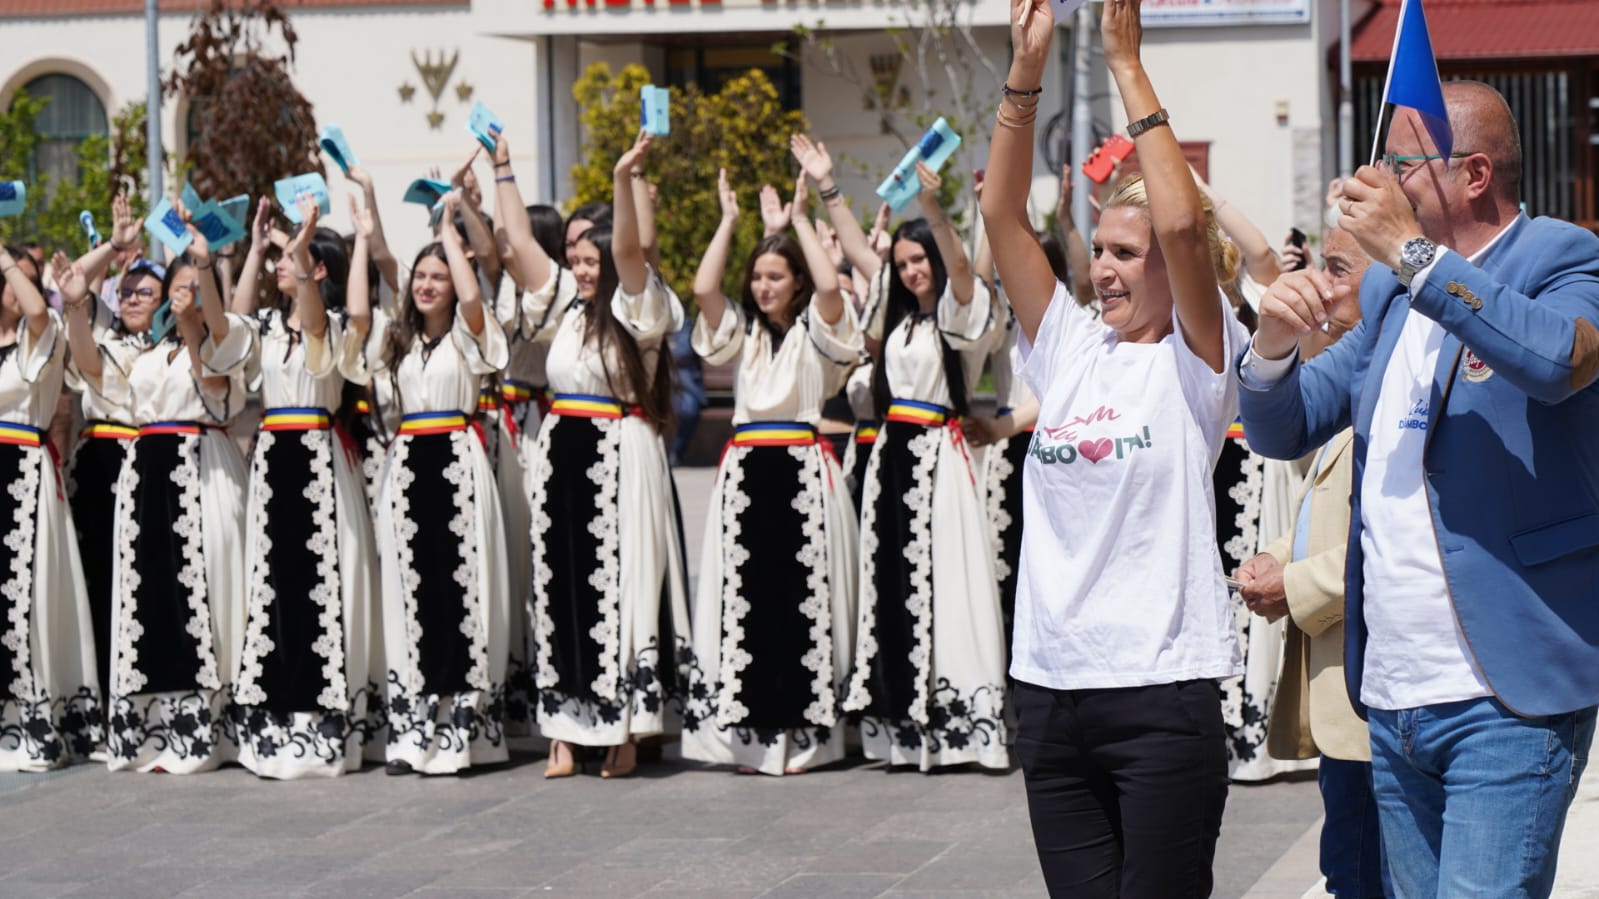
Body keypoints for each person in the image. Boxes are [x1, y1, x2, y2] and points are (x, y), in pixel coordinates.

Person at [1237, 81, 1599, 897]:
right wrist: (1271, 343)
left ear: (1472, 175)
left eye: (1400, 163)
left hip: (1504, 697)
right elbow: (1285, 426)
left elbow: (1556, 360)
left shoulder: (1560, 255)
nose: (1377, 179)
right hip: (1393, 693)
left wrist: (1414, 256)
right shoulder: (1387, 295)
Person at [981, 0, 1252, 891]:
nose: (1102, 268)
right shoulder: (1067, 344)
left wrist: (1127, 66)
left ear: (1174, 271)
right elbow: (1000, 214)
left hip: (1161, 696)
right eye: (1098, 249)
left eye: (1125, 254)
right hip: (1050, 692)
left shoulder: (1199, 356)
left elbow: (1182, 226)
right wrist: (1026, 70)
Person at [793, 133, 1008, 772]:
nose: (913, 270)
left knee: (943, 582)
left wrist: (935, 209)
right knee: (890, 584)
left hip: (938, 456)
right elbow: (864, 255)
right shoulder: (898, 315)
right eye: (906, 261)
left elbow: (965, 271)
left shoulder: (962, 314)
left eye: (922, 260)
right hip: (890, 456)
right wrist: (828, 187)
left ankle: (955, 726)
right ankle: (899, 726)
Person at [680, 169, 860, 775]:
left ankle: (806, 739)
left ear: (797, 281)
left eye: (776, 276)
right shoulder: (743, 333)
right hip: (747, 476)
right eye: (757, 276)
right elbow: (704, 288)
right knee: (748, 605)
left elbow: (831, 285)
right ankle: (754, 740)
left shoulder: (819, 329)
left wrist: (802, 219)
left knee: (804, 605)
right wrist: (730, 221)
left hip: (804, 472)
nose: (763, 286)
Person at [521, 130, 689, 779]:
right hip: (564, 455)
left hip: (618, 455)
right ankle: (564, 730)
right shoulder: (568, 311)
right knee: (561, 586)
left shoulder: (640, 308)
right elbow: (517, 249)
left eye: (592, 260)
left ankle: (623, 730)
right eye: (577, 260)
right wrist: (504, 167)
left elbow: (630, 249)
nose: (583, 269)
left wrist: (625, 178)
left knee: (618, 589)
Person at [74, 215, 255, 773]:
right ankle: (154, 729)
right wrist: (78, 302)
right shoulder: (148, 353)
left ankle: (208, 727)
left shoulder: (225, 342)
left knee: (202, 589)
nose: (183, 295)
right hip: (147, 474)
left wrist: (197, 315)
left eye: (192, 286)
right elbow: (92, 367)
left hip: (200, 467)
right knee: (150, 596)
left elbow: (216, 388)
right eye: (178, 286)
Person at [1234, 224, 1383, 898]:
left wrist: (1293, 583)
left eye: (1337, 268)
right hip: (1342, 697)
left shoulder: (1401, 368)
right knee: (1349, 865)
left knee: (1362, 871)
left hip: (1374, 693)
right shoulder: (1352, 370)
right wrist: (1275, 556)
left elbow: (1392, 541)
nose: (1321, 284)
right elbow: (1320, 505)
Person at [348, 191, 512, 776]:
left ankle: (460, 735)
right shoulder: (398, 341)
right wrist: (366, 232)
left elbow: (473, 297)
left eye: (437, 276)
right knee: (410, 593)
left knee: (460, 593)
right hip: (408, 465)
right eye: (420, 275)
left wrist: (447, 231)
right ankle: (412, 735)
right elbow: (362, 309)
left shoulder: (470, 334)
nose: (426, 284)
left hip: (457, 463)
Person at [225, 197, 380, 779]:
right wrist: (256, 248)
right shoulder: (266, 326)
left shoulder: (333, 326)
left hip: (317, 457)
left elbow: (313, 324)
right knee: (274, 587)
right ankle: (276, 723)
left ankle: (323, 729)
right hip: (273, 460)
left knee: (321, 586)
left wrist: (303, 238)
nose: (281, 265)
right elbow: (232, 323)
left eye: (294, 258)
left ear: (317, 269)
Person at [0, 243, 100, 770]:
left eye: (28, 277)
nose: (22, 287)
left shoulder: (41, 335)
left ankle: (30, 722)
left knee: (25, 599)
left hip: (20, 469)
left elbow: (38, 308)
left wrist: (5, 257)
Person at [57, 196, 146, 705]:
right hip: (96, 462)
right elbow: (73, 285)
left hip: (144, 463)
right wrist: (112, 246)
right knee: (94, 575)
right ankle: (98, 699)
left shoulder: (170, 344)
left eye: (144, 291)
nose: (132, 299)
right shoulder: (104, 331)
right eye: (126, 291)